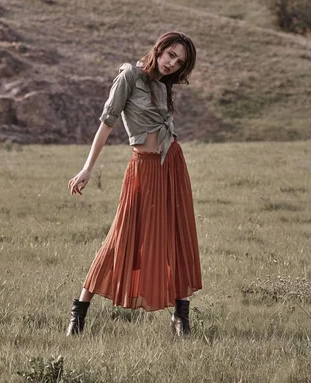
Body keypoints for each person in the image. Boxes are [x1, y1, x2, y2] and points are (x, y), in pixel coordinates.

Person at [66, 31, 202, 336]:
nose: (172, 64)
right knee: (121, 237)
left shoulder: (162, 84)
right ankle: (79, 310)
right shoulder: (130, 75)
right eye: (170, 55)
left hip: (171, 165)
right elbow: (107, 122)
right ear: (159, 48)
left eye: (179, 62)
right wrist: (87, 169)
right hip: (143, 167)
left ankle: (181, 315)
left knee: (175, 235)